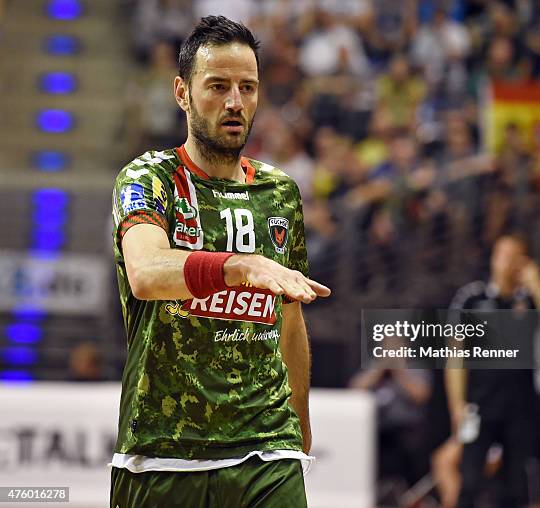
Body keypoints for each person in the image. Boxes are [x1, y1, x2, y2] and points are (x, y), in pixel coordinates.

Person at [109, 16, 331, 508]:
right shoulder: (150, 179)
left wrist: (299, 427)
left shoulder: (280, 193)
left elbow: (288, 318)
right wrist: (238, 265)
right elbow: (146, 274)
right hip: (163, 454)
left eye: (247, 87)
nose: (235, 102)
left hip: (266, 454)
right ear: (182, 92)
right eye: (218, 86)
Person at [443, 234, 540, 507]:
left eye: (514, 256)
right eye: (502, 255)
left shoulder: (531, 299)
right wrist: (457, 405)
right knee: (469, 481)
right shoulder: (472, 297)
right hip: (478, 405)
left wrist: (538, 285)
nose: (507, 263)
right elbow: (455, 355)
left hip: (521, 407)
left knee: (517, 487)